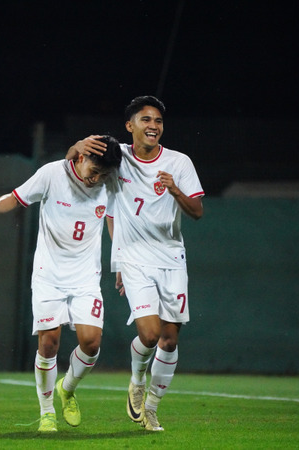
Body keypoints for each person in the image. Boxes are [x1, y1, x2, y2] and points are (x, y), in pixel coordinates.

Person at [67, 96, 204, 432]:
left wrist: (174, 190)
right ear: (130, 126)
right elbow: (74, 164)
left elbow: (197, 211)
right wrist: (76, 145)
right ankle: (137, 380)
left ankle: (152, 409)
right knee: (150, 332)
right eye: (145, 120)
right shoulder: (118, 159)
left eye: (157, 120)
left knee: (170, 339)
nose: (153, 126)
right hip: (135, 259)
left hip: (171, 257)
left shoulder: (179, 163)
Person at [0, 135, 122, 432]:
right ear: (80, 158)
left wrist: (121, 262)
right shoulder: (52, 174)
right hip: (49, 274)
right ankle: (47, 411)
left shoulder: (109, 185)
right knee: (48, 342)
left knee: (91, 344)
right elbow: (17, 197)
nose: (97, 179)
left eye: (104, 175)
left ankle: (68, 388)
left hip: (85, 277)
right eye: (95, 171)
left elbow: (114, 223)